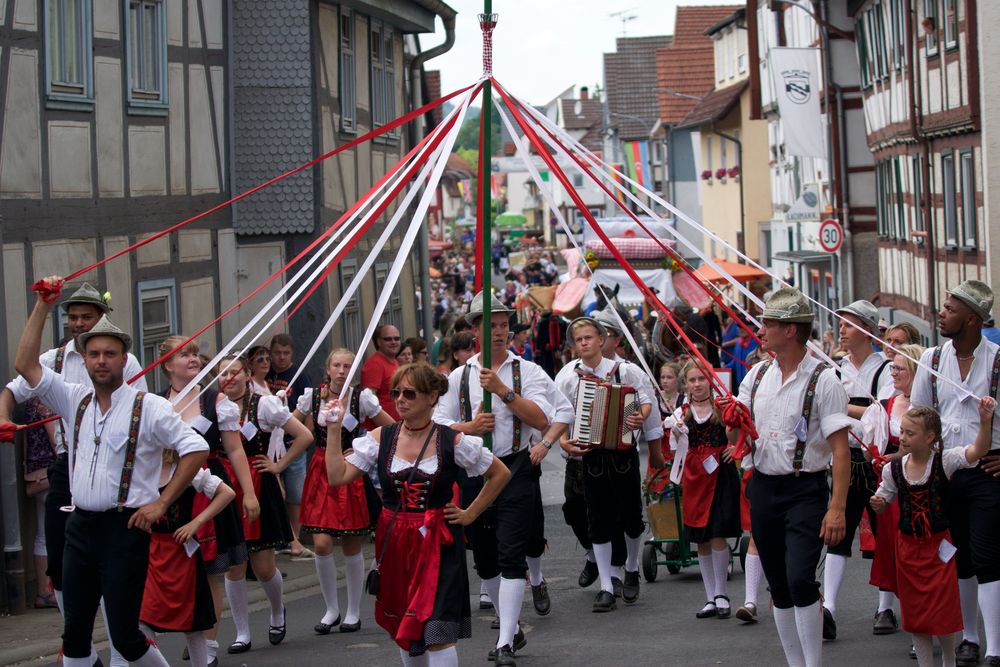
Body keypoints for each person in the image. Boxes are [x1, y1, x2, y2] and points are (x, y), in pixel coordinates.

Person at [14, 277, 209, 667]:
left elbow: (197, 448)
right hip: (81, 527)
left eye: (109, 354)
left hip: (125, 530)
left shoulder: (148, 406)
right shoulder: (73, 398)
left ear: (124, 361)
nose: (101, 361)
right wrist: (43, 305)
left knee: (125, 636)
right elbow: (24, 365)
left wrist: (161, 502)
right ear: (84, 360)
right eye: (94, 354)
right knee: (75, 636)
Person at [324, 363, 511, 667]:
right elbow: (337, 476)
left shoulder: (451, 440)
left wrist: (470, 513)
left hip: (438, 542)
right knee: (406, 630)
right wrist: (333, 429)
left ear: (431, 397)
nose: (400, 399)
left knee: (438, 630)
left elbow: (499, 473)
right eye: (396, 392)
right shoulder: (380, 438)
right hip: (395, 541)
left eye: (409, 393)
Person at [0, 283, 148, 667]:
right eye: (73, 317)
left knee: (116, 572)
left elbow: (142, 415)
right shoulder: (55, 359)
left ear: (103, 318)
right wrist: (2, 416)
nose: (78, 323)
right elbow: (14, 385)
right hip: (68, 465)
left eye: (87, 316)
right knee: (62, 567)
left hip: (115, 469)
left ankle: (120, 648)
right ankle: (79, 643)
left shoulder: (122, 361)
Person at [732, 287, 851, 667]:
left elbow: (840, 450)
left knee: (801, 580)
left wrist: (837, 509)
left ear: (791, 330)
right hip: (764, 487)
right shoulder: (756, 375)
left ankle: (813, 665)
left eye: (768, 322)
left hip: (805, 489)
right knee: (779, 585)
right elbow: (736, 436)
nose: (761, 328)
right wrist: (729, 421)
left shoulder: (824, 379)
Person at [434, 291, 552, 666]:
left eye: (504, 325)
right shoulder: (458, 377)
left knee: (511, 553)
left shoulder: (528, 371)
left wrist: (503, 392)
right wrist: (469, 426)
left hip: (515, 468)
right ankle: (510, 625)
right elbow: (437, 423)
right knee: (485, 560)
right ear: (476, 331)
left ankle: (504, 641)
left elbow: (541, 419)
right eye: (492, 326)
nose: (499, 332)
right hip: (475, 470)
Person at [909, 280, 1000, 667]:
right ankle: (970, 638)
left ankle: (995, 646)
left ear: (972, 319)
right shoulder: (931, 359)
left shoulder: (997, 359)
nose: (941, 313)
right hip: (945, 470)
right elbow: (915, 416)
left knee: (987, 554)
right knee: (957, 554)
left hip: (987, 469)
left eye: (950, 308)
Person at [871, 400, 996, 667]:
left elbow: (978, 450)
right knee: (915, 613)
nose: (902, 437)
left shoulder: (945, 461)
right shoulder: (892, 469)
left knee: (942, 611)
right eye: (902, 431)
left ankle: (949, 660)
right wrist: (879, 503)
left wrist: (985, 421)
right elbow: (884, 498)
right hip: (907, 549)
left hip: (939, 547)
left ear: (930, 438)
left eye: (910, 433)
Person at [158, 335, 259, 665]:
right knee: (182, 570)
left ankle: (209, 645)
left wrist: (250, 493)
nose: (192, 359)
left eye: (195, 353)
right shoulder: (156, 403)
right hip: (170, 488)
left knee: (211, 571)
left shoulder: (215, 401)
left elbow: (234, 449)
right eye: (183, 354)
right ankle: (193, 634)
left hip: (208, 485)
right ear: (167, 365)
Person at [554, 316, 661, 614]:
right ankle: (605, 585)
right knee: (597, 518)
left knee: (630, 516)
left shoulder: (625, 370)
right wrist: (563, 439)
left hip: (623, 453)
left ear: (602, 340)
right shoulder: (568, 377)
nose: (584, 343)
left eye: (589, 337)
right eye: (579, 340)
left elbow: (646, 399)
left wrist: (640, 415)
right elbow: (558, 413)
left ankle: (630, 569)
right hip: (590, 455)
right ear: (574, 346)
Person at [215, 354, 314, 654]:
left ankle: (276, 609)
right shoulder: (215, 407)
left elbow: (304, 435)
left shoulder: (264, 404)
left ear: (247, 375)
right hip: (225, 487)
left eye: (234, 373)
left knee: (263, 565)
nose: (228, 379)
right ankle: (242, 632)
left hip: (259, 484)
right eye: (222, 374)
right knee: (234, 564)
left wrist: (279, 464)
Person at [293, 349, 393, 635]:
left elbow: (391, 427)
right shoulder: (312, 396)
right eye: (336, 365)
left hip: (351, 467)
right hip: (321, 468)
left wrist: (370, 451)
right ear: (327, 368)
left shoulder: (362, 398)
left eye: (347, 366)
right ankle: (331, 609)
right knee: (321, 543)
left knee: (351, 542)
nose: (341, 370)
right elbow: (289, 424)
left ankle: (352, 611)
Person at [823, 300, 894, 639]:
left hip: (877, 463)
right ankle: (829, 609)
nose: (842, 331)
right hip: (844, 459)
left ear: (866, 330)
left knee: (885, 534)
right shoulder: (837, 368)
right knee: (838, 532)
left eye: (848, 325)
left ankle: (886, 607)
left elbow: (881, 415)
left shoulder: (885, 369)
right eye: (841, 325)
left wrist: (841, 406)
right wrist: (854, 410)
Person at [139, 454, 236, 667]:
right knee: (143, 620)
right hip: (151, 553)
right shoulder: (142, 468)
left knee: (192, 624)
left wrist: (196, 522)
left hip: (182, 555)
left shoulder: (187, 470)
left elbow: (226, 493)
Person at [667, 362, 741, 619]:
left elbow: (742, 432)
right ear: (685, 384)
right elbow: (675, 449)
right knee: (701, 539)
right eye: (692, 380)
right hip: (695, 478)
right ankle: (710, 597)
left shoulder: (723, 408)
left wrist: (736, 448)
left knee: (718, 533)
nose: (697, 384)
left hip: (720, 475)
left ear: (710, 381)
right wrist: (677, 434)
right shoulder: (681, 413)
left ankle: (722, 593)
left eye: (701, 379)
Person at [863, 342, 925, 641]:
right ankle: (885, 608)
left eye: (899, 367)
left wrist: (897, 456)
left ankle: (923, 616)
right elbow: (868, 446)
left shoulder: (927, 408)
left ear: (915, 371)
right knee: (887, 545)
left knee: (918, 551)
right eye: (893, 367)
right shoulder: (887, 404)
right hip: (891, 487)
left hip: (921, 487)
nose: (893, 371)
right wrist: (873, 452)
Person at [265, 334, 313, 559]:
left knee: (295, 493)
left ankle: (294, 534)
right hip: (270, 446)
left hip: (292, 443)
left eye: (286, 353)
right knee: (275, 492)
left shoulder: (299, 376)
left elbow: (309, 406)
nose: (281, 358)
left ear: (292, 353)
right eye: (277, 353)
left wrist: (306, 433)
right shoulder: (266, 374)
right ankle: (279, 537)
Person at [362, 324, 402, 420]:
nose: (393, 342)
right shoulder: (374, 364)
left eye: (397, 338)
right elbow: (368, 402)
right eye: (388, 339)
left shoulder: (395, 361)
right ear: (379, 342)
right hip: (382, 429)